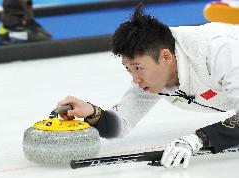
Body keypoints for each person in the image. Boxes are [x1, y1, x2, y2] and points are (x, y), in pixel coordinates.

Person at [57, 5, 239, 169]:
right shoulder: (153, 71)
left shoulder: (220, 53)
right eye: (129, 69)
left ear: (166, 57)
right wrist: (92, 112)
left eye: (138, 68)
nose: (136, 79)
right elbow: (120, 124)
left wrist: (200, 138)